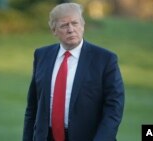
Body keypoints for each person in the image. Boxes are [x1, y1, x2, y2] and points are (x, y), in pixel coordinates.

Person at [23, 2, 124, 141]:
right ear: (54, 30)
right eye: (64, 25)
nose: (71, 29)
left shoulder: (105, 59)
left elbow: (114, 108)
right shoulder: (42, 55)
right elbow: (32, 106)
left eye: (75, 23)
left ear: (82, 25)